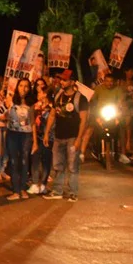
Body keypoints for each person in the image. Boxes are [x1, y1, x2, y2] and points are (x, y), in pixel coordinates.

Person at [42, 70, 89, 202]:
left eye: (64, 80)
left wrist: (79, 139)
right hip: (58, 136)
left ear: (72, 82)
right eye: (61, 80)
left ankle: (73, 192)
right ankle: (57, 191)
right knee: (58, 165)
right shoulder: (58, 96)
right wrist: (46, 133)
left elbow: (84, 120)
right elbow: (52, 115)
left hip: (73, 137)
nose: (61, 82)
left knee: (73, 166)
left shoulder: (81, 98)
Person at [5, 78, 37, 200]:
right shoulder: (10, 100)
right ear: (17, 87)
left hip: (26, 135)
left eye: (26, 86)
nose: (23, 88)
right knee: (13, 162)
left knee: (24, 161)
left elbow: (33, 122)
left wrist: (35, 142)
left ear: (29, 89)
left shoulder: (31, 103)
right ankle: (15, 191)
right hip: (12, 134)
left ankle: (23, 189)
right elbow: (4, 116)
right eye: (21, 85)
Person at [91, 72, 131, 165]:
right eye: (107, 81)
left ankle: (122, 154)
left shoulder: (118, 90)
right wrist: (95, 112)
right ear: (104, 81)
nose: (109, 83)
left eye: (111, 81)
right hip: (100, 114)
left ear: (114, 82)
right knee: (93, 127)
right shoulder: (98, 89)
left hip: (113, 114)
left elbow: (120, 102)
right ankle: (92, 150)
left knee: (121, 128)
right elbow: (93, 101)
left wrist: (119, 110)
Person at [30, 78, 53, 194]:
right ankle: (34, 183)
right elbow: (32, 122)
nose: (38, 95)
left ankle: (43, 184)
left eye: (40, 92)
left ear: (45, 94)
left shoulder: (52, 108)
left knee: (46, 161)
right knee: (35, 159)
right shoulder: (35, 106)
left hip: (49, 137)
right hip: (36, 136)